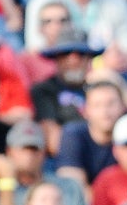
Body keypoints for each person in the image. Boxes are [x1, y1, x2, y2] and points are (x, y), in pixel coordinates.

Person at [30, 25, 99, 156]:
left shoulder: (100, 89)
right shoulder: (43, 90)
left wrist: (116, 83)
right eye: (66, 54)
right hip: (63, 162)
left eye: (81, 54)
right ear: (56, 58)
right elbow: (54, 144)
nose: (74, 60)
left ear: (89, 58)